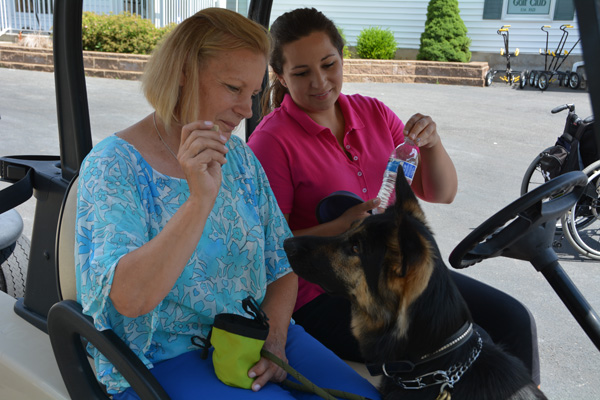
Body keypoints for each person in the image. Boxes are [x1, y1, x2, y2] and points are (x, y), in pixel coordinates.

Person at [75, 8, 381, 400]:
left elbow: (281, 260)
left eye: (253, 94)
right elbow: (131, 300)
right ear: (182, 73)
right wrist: (198, 201)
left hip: (252, 332)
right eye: (233, 88)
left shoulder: (238, 157)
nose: (247, 110)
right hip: (164, 355)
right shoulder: (113, 166)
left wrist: (274, 335)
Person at [247, 7, 540, 386]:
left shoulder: (372, 113)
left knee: (511, 319)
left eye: (328, 64)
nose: (320, 82)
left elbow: (441, 192)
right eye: (301, 73)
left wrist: (432, 144)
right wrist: (340, 226)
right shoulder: (272, 141)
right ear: (281, 77)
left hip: (400, 277)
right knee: (472, 348)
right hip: (328, 288)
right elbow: (267, 246)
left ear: (341, 57)